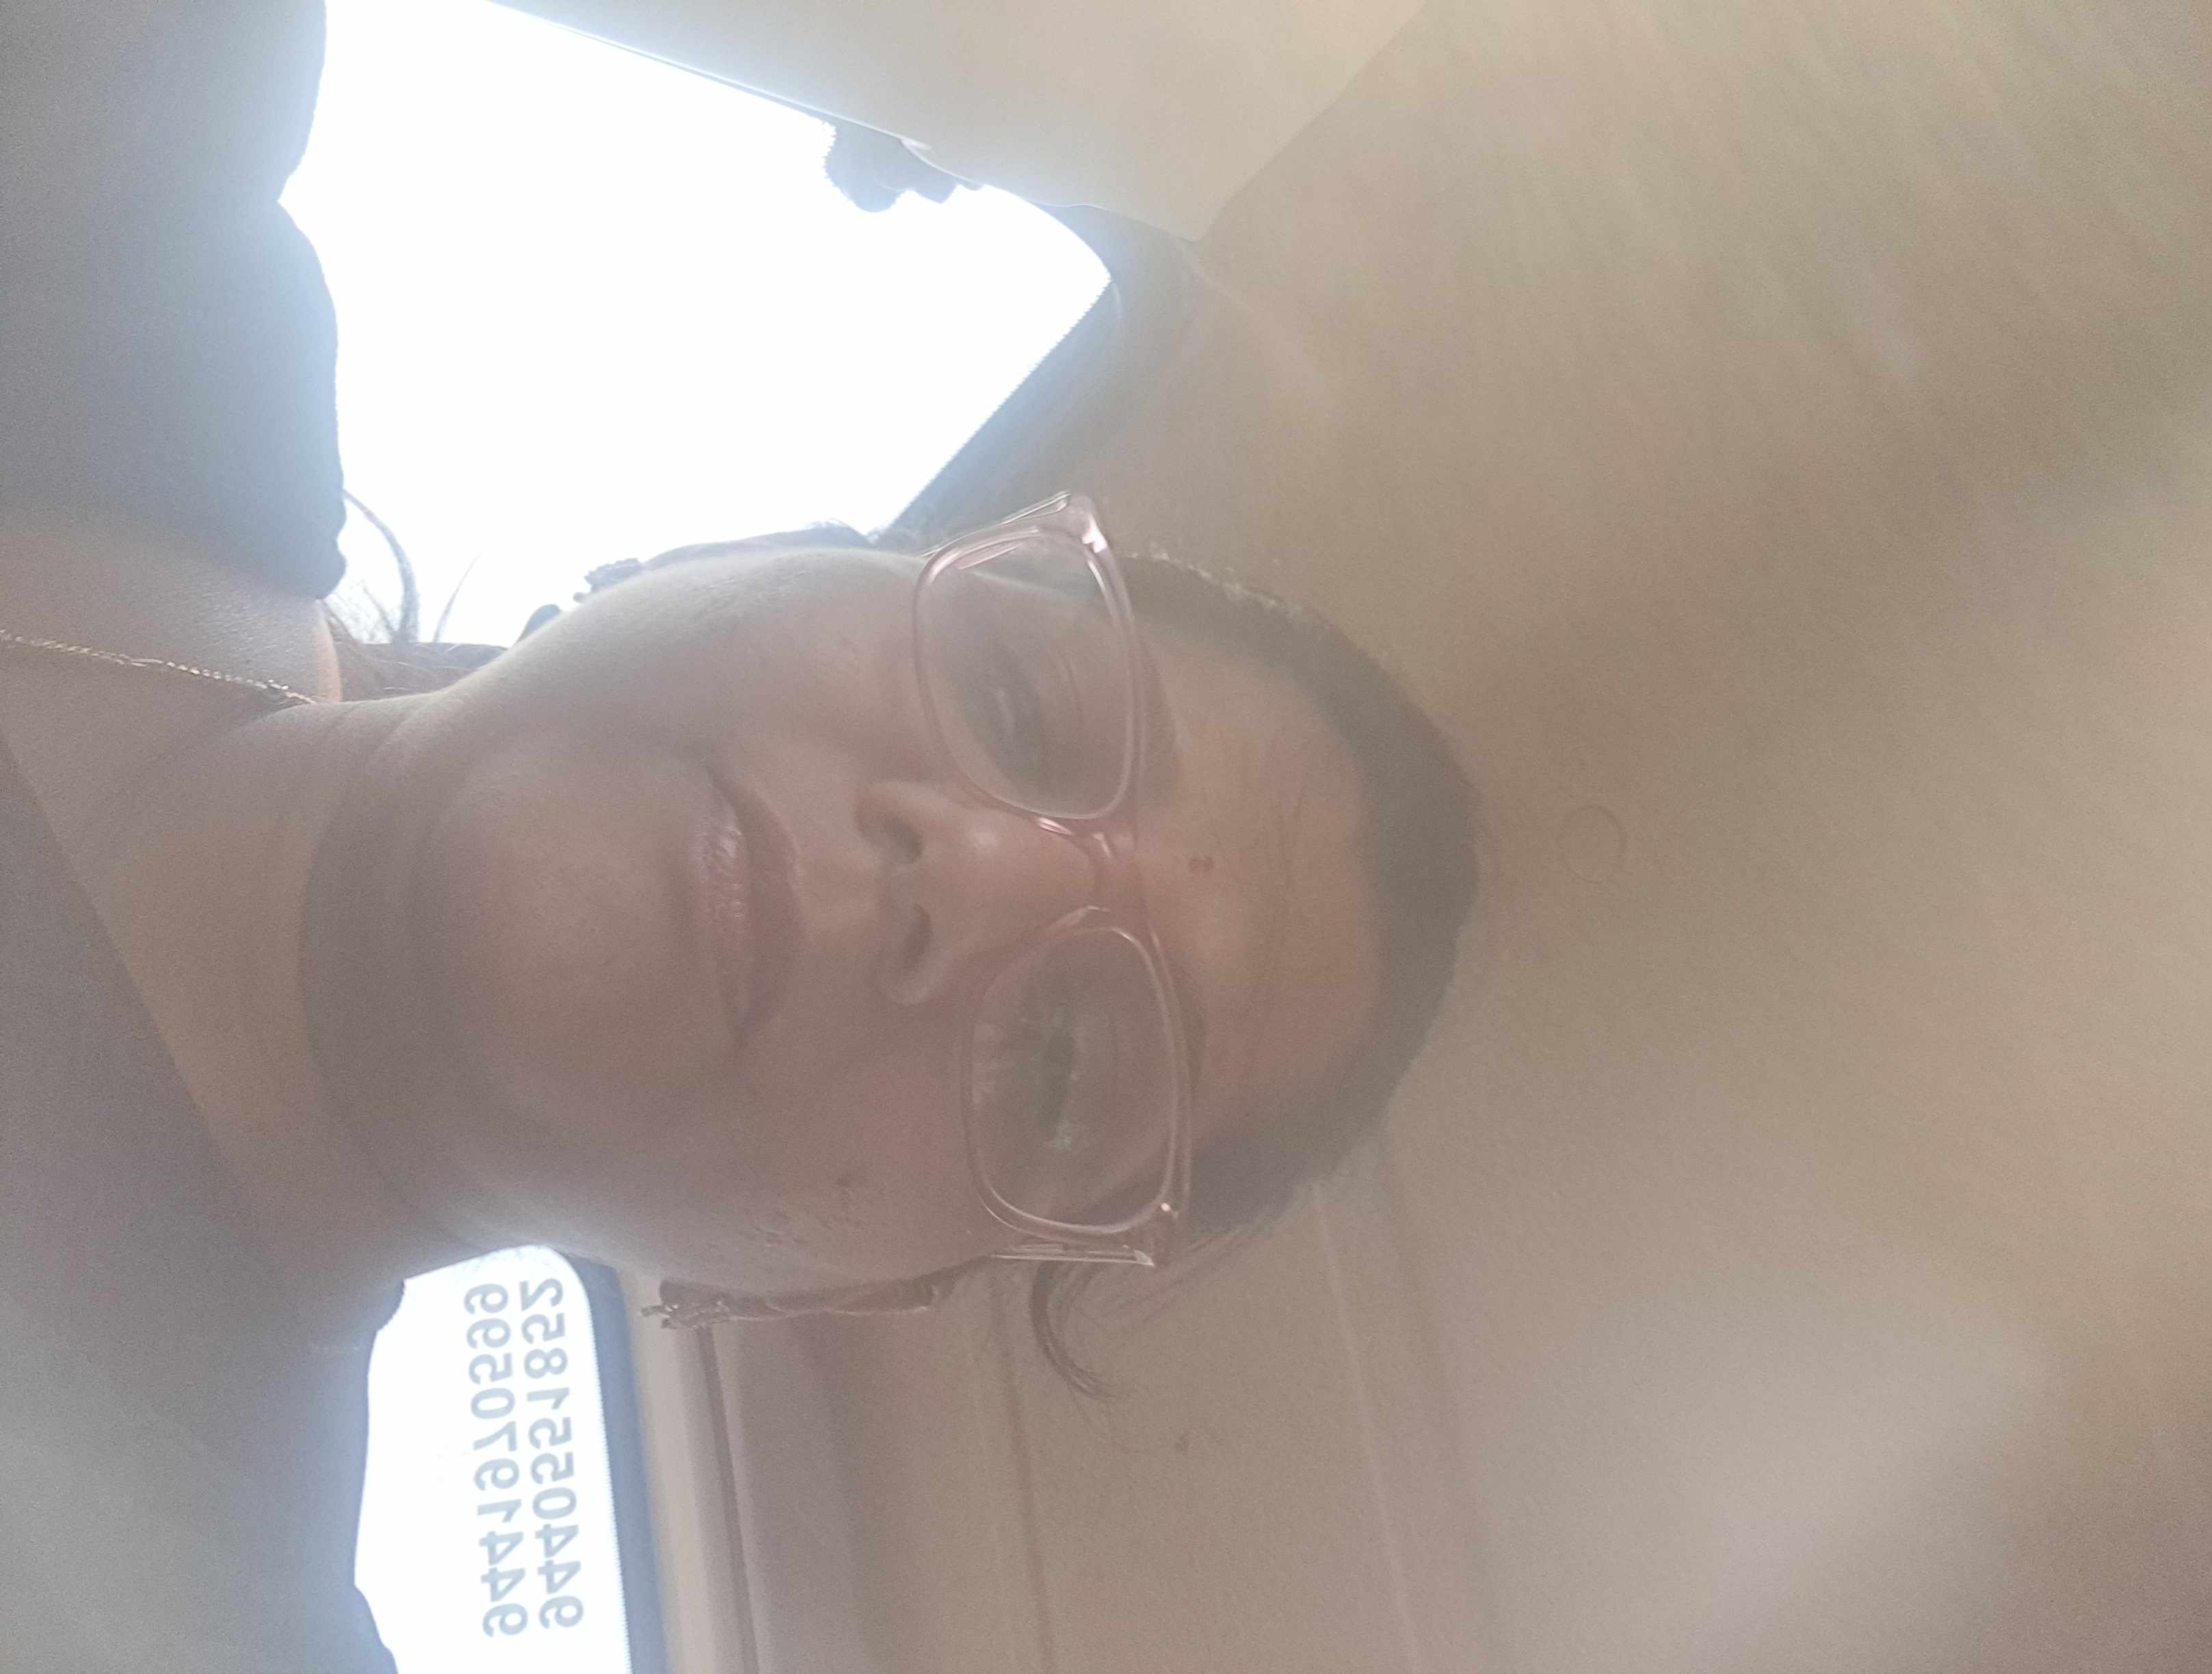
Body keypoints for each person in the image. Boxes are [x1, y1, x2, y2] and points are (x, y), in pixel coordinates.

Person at [0, 5, 1476, 1667]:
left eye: (1067, 1065)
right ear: (735, 550)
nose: (974, 878)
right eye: (1020, 701)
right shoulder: (138, 133)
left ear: (835, 1292)